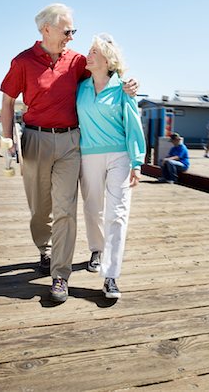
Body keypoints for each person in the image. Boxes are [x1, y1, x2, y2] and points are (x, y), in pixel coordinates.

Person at [0, 3, 138, 303]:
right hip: (34, 140)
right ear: (46, 29)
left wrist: (128, 83)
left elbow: (105, 75)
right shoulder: (22, 61)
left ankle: (60, 275)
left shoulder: (76, 61)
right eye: (67, 30)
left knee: (66, 208)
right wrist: (7, 140)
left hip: (70, 143)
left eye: (73, 30)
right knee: (40, 207)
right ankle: (44, 247)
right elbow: (8, 102)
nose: (72, 36)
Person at [77, 34, 146, 299]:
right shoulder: (80, 88)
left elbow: (133, 126)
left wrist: (137, 162)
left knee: (117, 214)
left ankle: (111, 276)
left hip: (119, 156)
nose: (88, 54)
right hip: (88, 156)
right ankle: (96, 248)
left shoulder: (123, 89)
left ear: (107, 59)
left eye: (94, 51)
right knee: (93, 208)